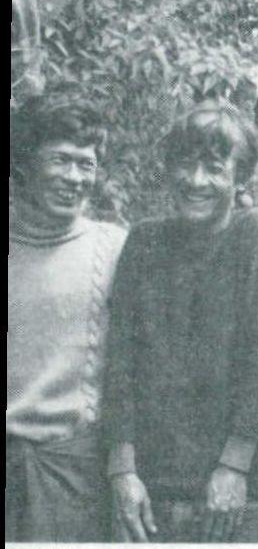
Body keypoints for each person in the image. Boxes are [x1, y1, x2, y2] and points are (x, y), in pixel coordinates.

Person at [102, 100, 258, 542]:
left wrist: (234, 466)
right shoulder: (144, 241)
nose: (196, 180)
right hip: (148, 489)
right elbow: (120, 361)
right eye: (185, 164)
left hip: (232, 492)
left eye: (214, 167)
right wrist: (122, 470)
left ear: (241, 176)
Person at [8, 89, 127, 541]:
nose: (74, 177)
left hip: (77, 475)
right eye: (60, 160)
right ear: (25, 163)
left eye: (86, 164)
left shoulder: (114, 249)